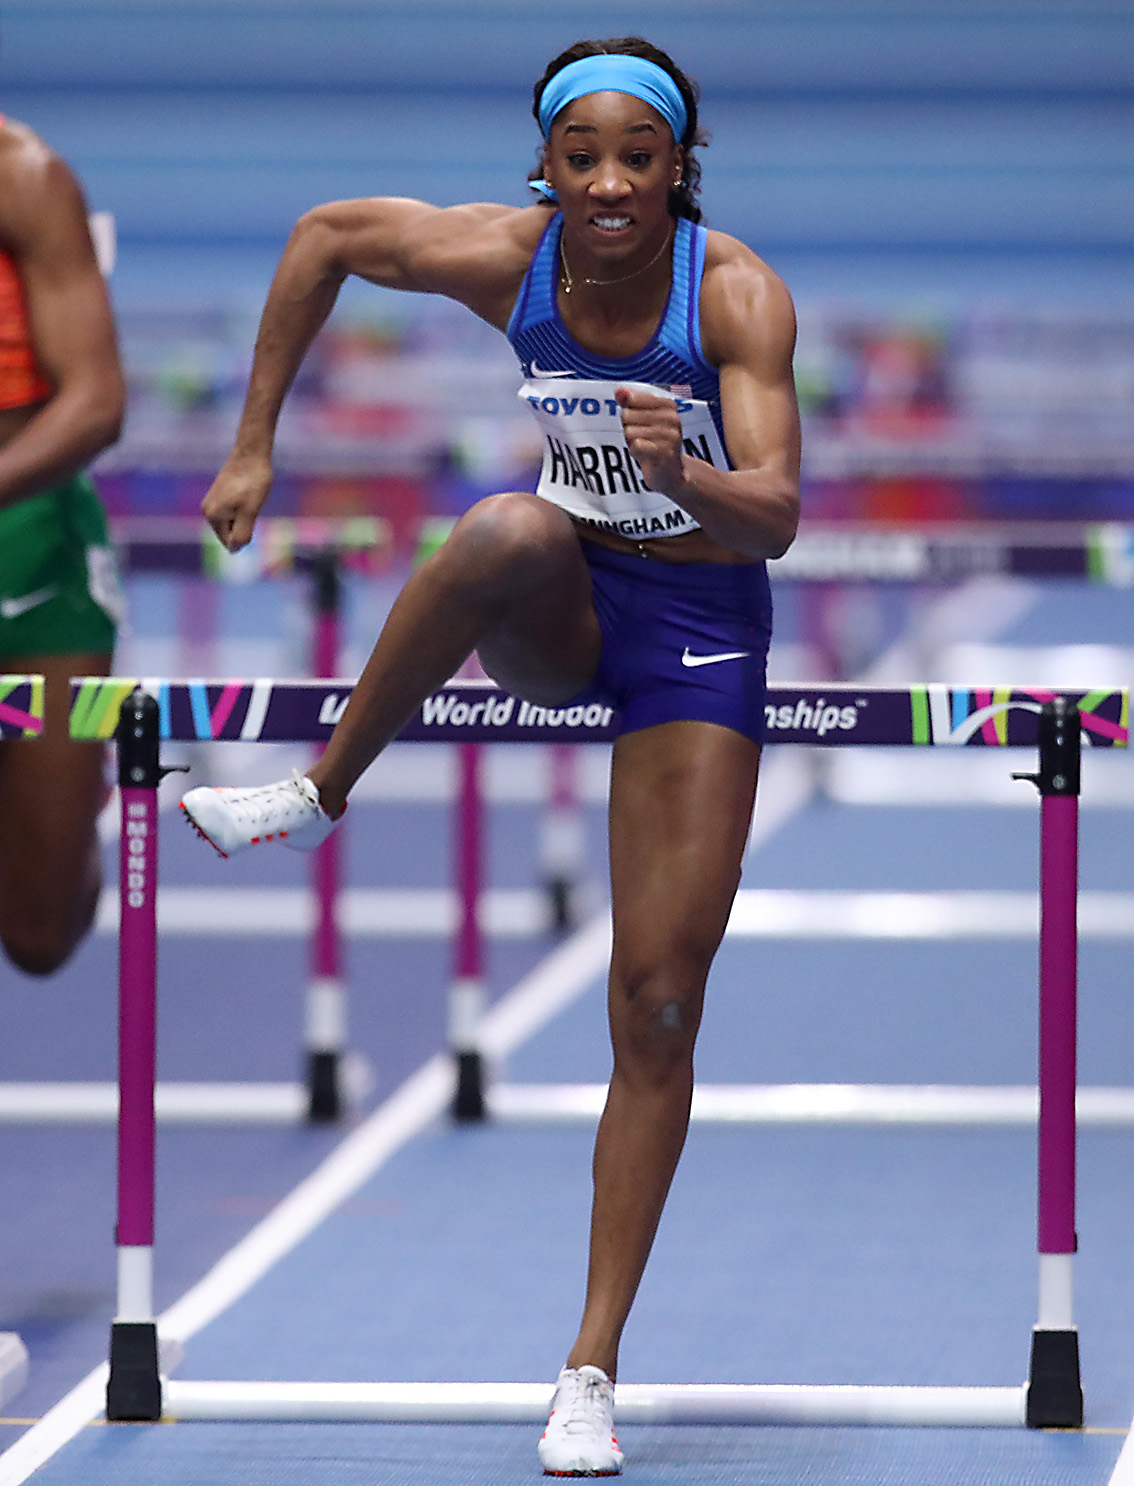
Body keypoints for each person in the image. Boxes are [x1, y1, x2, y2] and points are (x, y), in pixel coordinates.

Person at [182, 36, 799, 1476]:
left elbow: (776, 514)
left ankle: (589, 1367)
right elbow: (322, 236)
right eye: (582, 157)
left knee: (658, 1006)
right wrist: (253, 444)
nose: (608, 183)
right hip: (564, 603)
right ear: (546, 166)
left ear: (678, 166)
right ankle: (319, 790)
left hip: (700, 629)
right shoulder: (504, 258)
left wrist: (687, 474)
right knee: (503, 525)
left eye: (636, 157)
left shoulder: (732, 293)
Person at [0, 115, 125, 975]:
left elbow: (96, 401)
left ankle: (77, 790)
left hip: (32, 545)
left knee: (40, 935)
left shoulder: (25, 177)